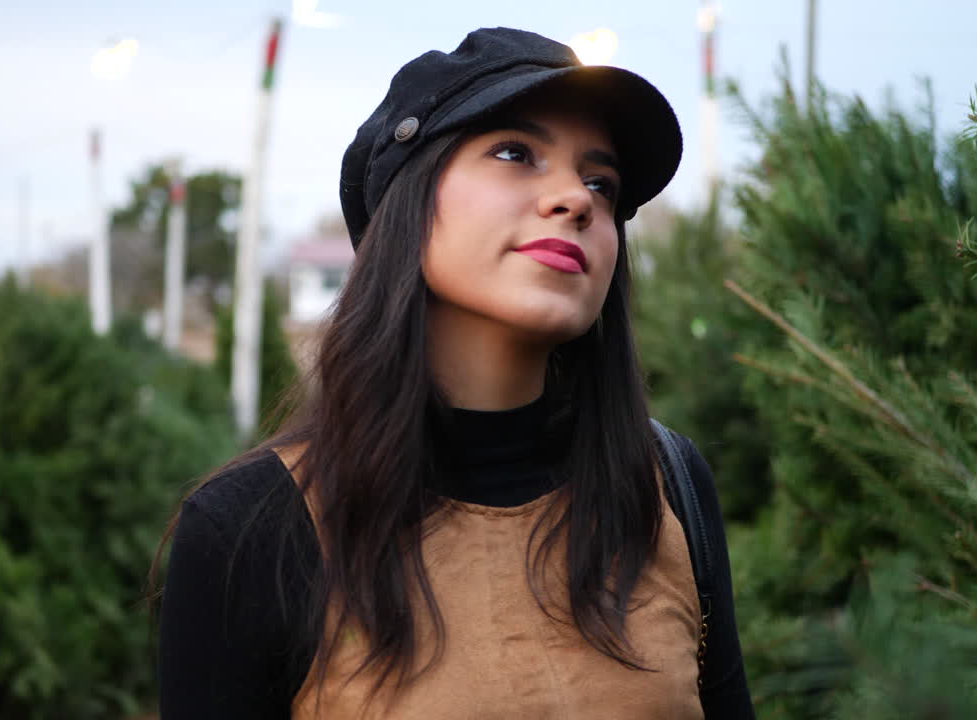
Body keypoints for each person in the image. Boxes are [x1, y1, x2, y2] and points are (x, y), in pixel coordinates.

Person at [153, 27, 754, 719]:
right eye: (514, 153)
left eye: (602, 182)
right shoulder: (253, 529)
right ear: (407, 203)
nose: (577, 199)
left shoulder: (667, 488)